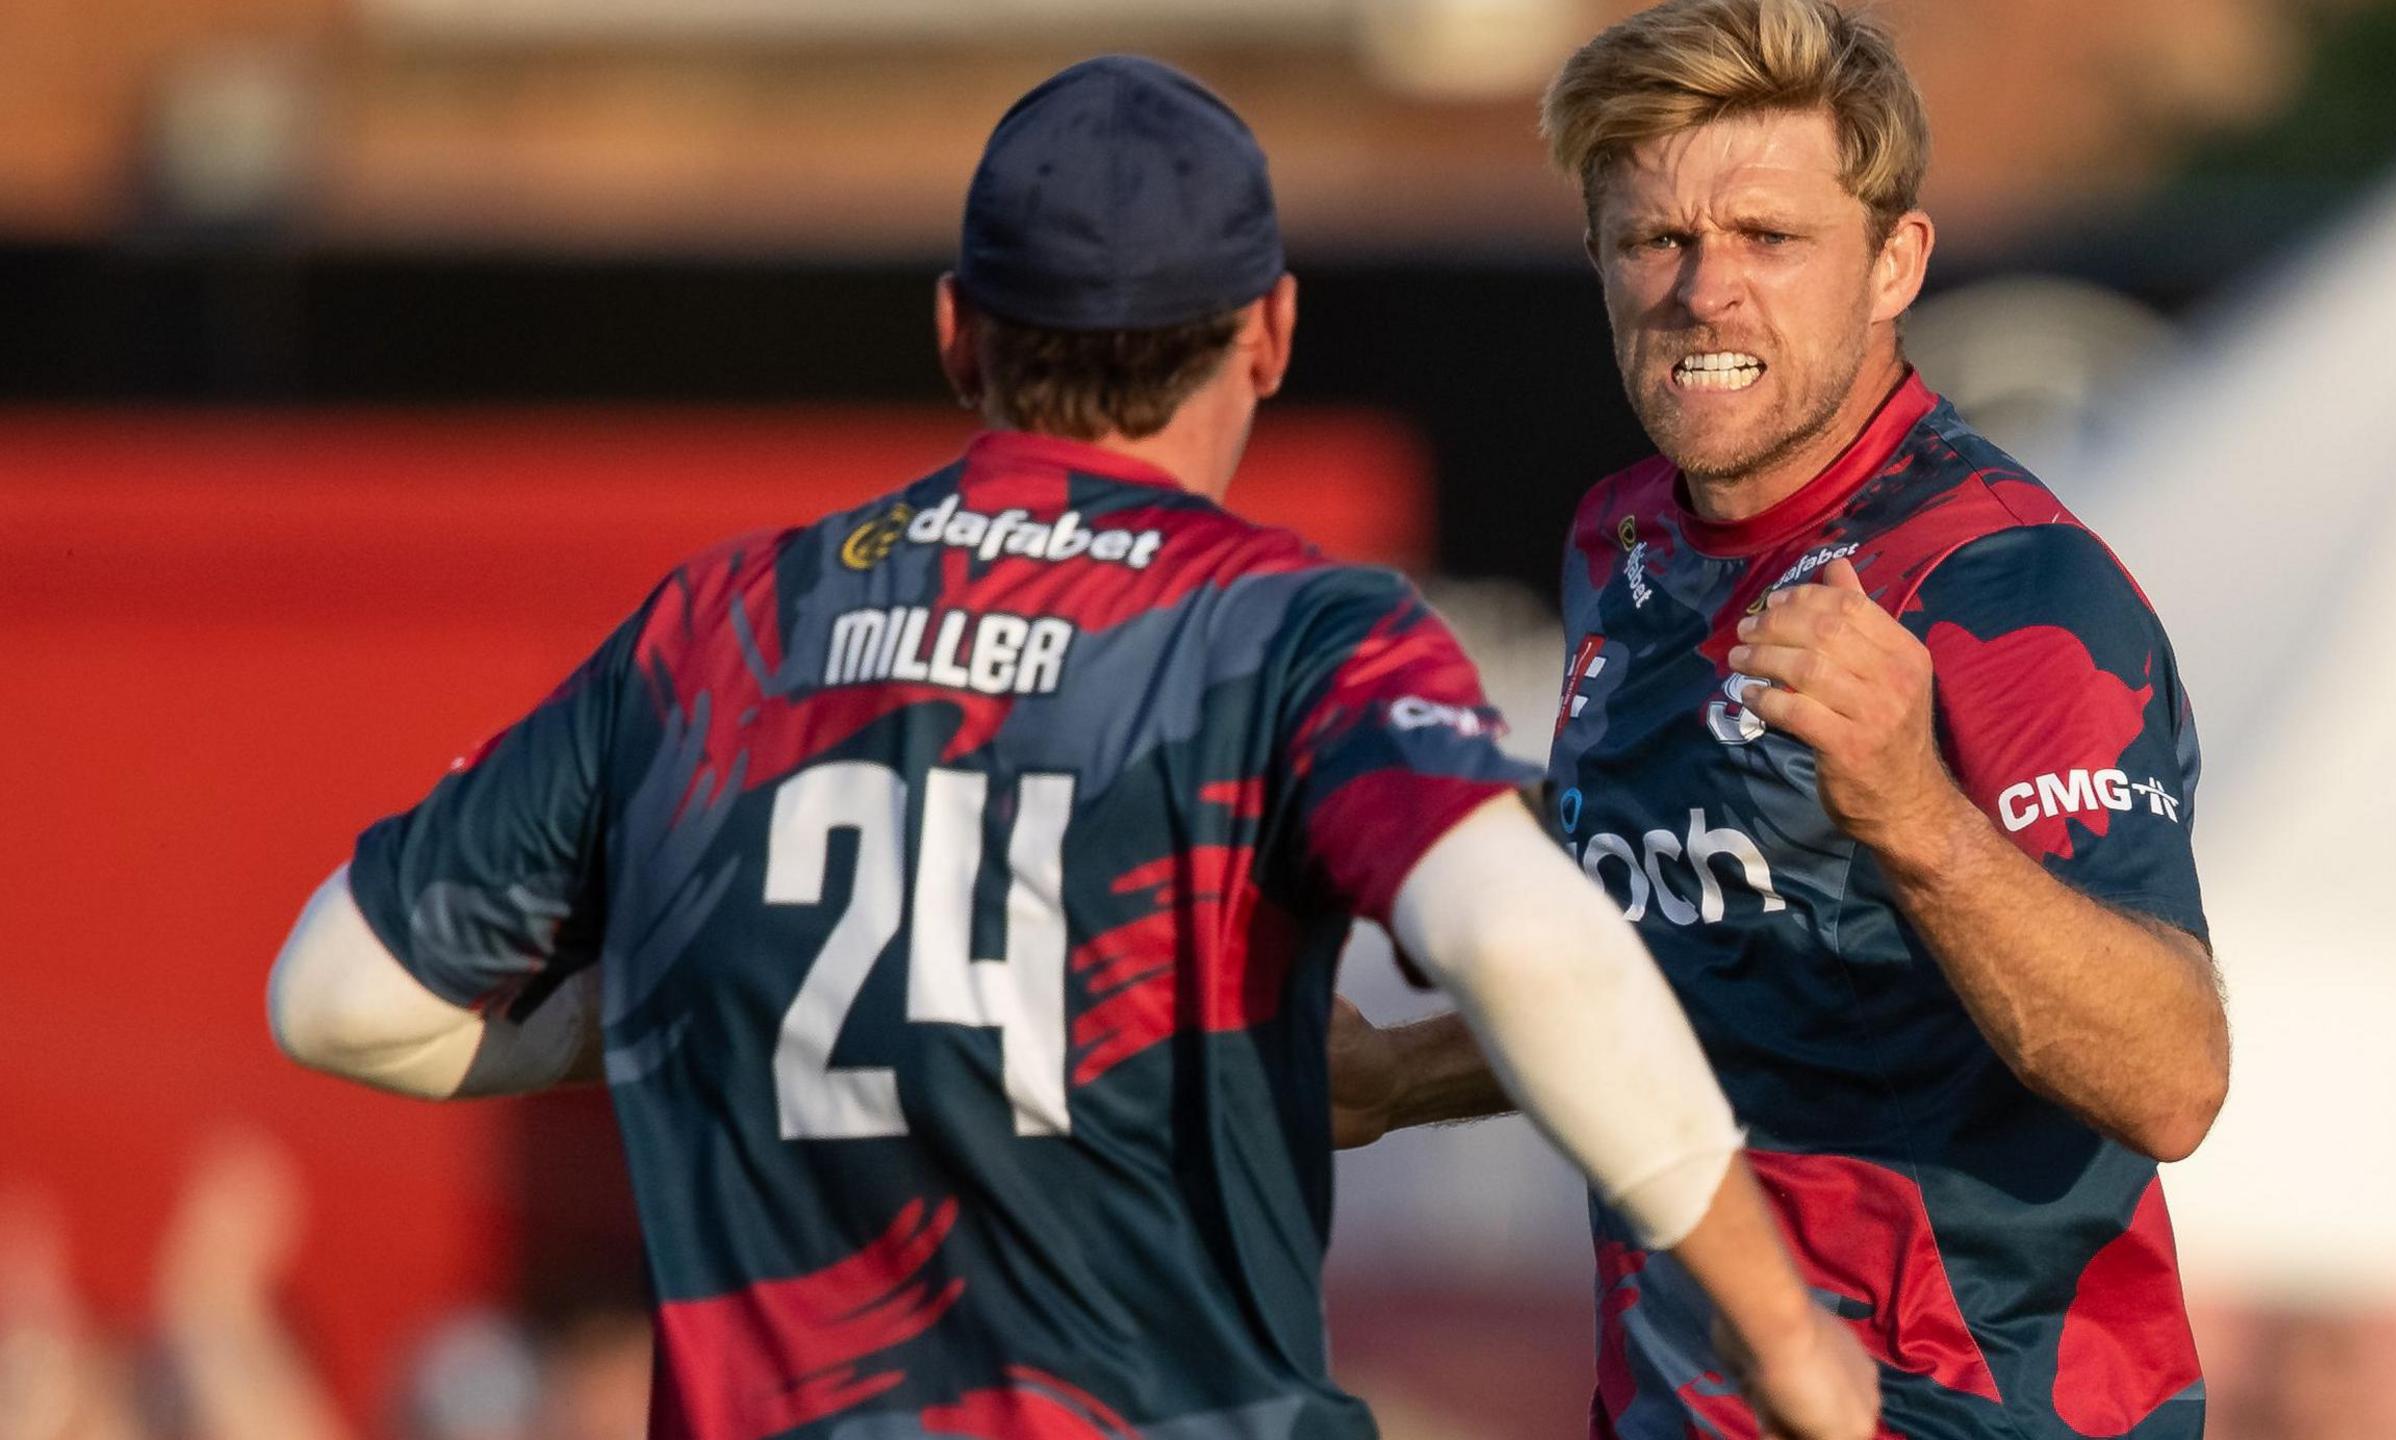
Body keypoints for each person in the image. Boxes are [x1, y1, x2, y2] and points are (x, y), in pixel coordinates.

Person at [267, 55, 1878, 1440]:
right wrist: (1780, 1326)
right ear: (1269, 333)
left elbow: (337, 998)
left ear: (963, 334)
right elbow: (1524, 940)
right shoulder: (1282, 629)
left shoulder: (723, 626)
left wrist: (666, 995)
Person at [1327, 2, 2230, 1436]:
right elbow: (1699, 978)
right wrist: (1401, 1077)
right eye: (1656, 241)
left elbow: (2174, 1078)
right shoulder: (1622, 544)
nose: (1704, 291)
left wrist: (1915, 818)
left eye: (1769, 238)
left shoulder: (2001, 578)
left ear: (1896, 264)